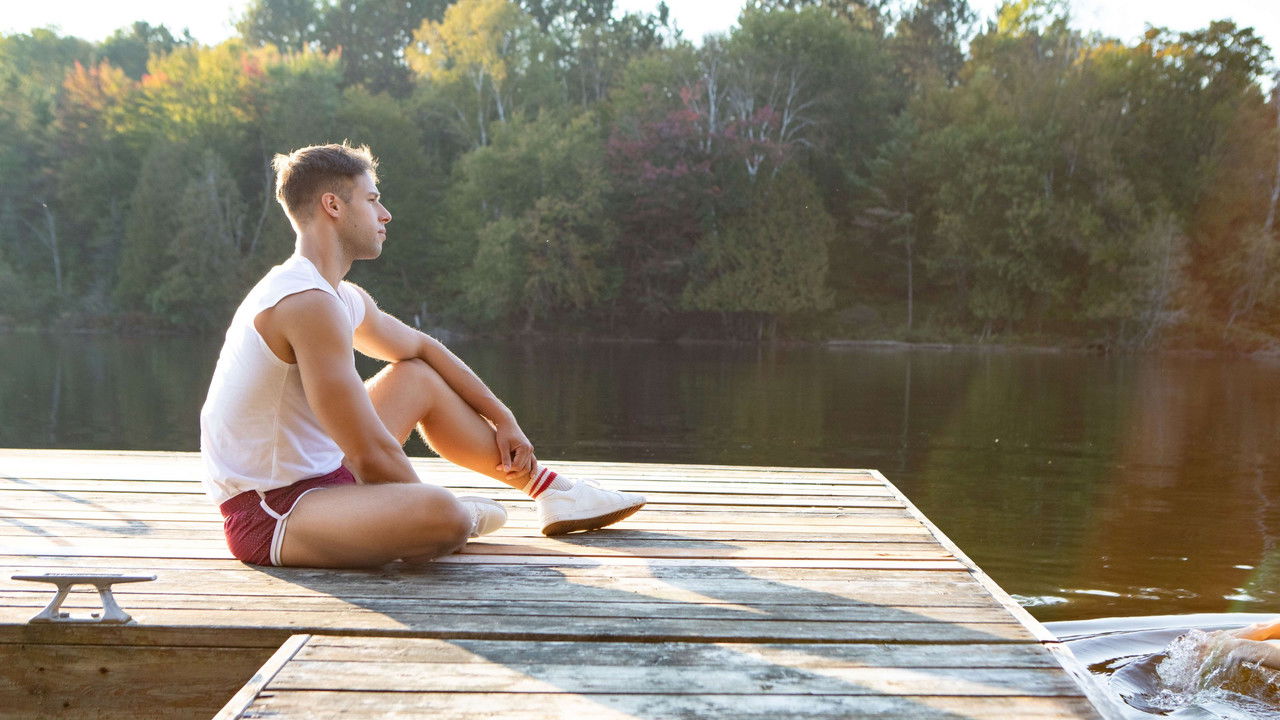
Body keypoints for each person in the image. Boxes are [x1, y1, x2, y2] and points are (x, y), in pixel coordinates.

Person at [199, 142, 645, 569]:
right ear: (333, 206)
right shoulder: (304, 303)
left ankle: (550, 490)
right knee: (440, 511)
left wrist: (504, 416)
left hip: (324, 475)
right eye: (373, 200)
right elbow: (370, 450)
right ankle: (448, 519)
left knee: (415, 377)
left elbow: (424, 350)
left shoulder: (339, 296)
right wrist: (423, 516)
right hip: (274, 511)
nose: (385, 213)